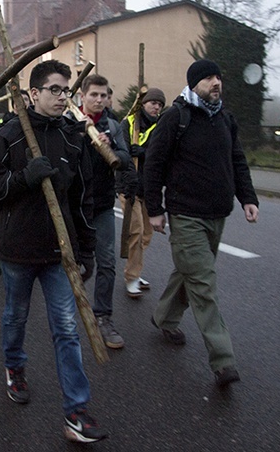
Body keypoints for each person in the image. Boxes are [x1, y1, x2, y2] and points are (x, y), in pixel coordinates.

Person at [0, 60, 108, 443]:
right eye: (54, 89)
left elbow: (83, 199)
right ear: (33, 94)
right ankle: (14, 367)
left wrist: (86, 250)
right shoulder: (10, 134)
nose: (61, 96)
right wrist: (22, 178)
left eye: (66, 90)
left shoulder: (72, 136)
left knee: (67, 330)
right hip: (17, 249)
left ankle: (76, 412)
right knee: (15, 316)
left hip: (58, 251)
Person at [144, 59, 259, 387]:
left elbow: (237, 160)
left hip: (217, 215)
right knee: (204, 284)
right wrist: (155, 208)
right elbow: (153, 165)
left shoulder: (225, 118)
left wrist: (248, 198)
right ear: (194, 83)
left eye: (219, 77)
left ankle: (164, 317)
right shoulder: (175, 118)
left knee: (190, 272)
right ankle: (223, 359)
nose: (216, 82)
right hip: (186, 215)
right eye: (209, 78)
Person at [78, 74, 131, 349]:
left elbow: (124, 158)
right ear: (83, 97)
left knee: (107, 262)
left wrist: (107, 147)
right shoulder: (70, 122)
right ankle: (66, 309)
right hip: (74, 207)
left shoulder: (112, 125)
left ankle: (103, 316)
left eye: (103, 95)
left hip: (102, 206)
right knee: (76, 264)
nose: (99, 100)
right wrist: (80, 135)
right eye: (94, 95)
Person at [116, 88, 166, 298]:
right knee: (135, 230)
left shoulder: (162, 126)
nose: (156, 107)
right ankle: (132, 277)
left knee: (146, 233)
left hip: (149, 189)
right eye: (153, 102)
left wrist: (145, 153)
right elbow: (120, 151)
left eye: (160, 104)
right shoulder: (128, 123)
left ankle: (134, 269)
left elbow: (163, 154)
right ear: (144, 103)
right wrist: (130, 160)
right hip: (129, 187)